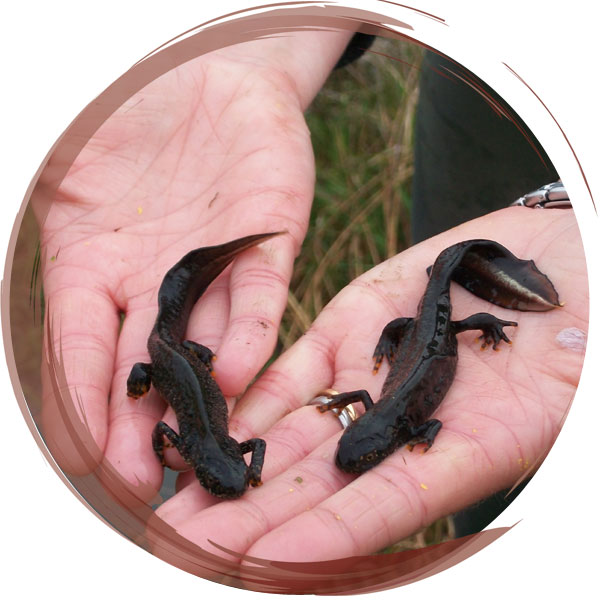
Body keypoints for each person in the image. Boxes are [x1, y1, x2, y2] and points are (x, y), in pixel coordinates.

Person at [35, 30, 586, 562]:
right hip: (486, 97)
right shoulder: (206, 438)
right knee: (488, 496)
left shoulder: (382, 423)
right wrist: (257, 57)